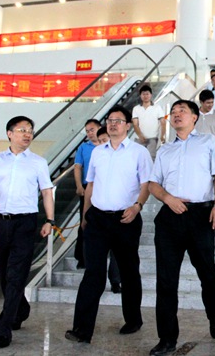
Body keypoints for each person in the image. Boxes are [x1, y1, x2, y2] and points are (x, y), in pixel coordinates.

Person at [65, 105, 152, 344]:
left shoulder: (139, 152)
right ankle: (82, 330)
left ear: (127, 125)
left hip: (126, 219)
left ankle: (133, 319)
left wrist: (137, 206)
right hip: (98, 219)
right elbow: (90, 185)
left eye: (118, 120)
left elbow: (146, 184)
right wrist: (85, 215)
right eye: (110, 120)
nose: (113, 124)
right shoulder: (97, 153)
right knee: (93, 273)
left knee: (129, 271)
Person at [0, 116, 55, 349]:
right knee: (6, 275)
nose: (27, 134)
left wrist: (50, 220)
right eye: (22, 130)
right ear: (9, 133)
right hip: (0, 222)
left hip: (26, 223)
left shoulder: (38, 162)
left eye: (30, 131)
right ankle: (21, 308)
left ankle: (3, 330)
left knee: (16, 276)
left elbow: (47, 192)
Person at [148, 99, 215, 356]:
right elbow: (153, 184)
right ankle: (167, 339)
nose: (176, 114)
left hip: (201, 215)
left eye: (182, 110)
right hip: (170, 216)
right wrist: (167, 198)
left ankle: (214, 314)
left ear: (195, 117)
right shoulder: (164, 150)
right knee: (166, 280)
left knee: (208, 273)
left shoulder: (208, 142)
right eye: (173, 111)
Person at [96, 126, 122, 294]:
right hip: (99, 213)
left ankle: (115, 280)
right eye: (100, 141)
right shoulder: (97, 155)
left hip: (120, 212)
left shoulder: (126, 156)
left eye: (104, 140)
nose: (102, 144)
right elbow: (91, 185)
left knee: (116, 251)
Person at [73, 119, 102, 269]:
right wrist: (79, 185)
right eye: (87, 131)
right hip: (87, 188)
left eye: (92, 130)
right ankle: (82, 257)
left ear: (100, 128)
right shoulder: (84, 147)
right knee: (85, 221)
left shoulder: (107, 145)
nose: (90, 133)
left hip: (104, 188)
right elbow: (78, 167)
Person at [132, 84, 167, 159]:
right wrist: (140, 136)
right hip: (139, 138)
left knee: (151, 158)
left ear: (151, 95)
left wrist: (162, 135)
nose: (145, 96)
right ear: (140, 96)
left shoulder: (157, 108)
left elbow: (163, 122)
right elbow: (135, 124)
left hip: (152, 138)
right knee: (138, 158)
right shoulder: (136, 108)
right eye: (143, 94)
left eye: (147, 94)